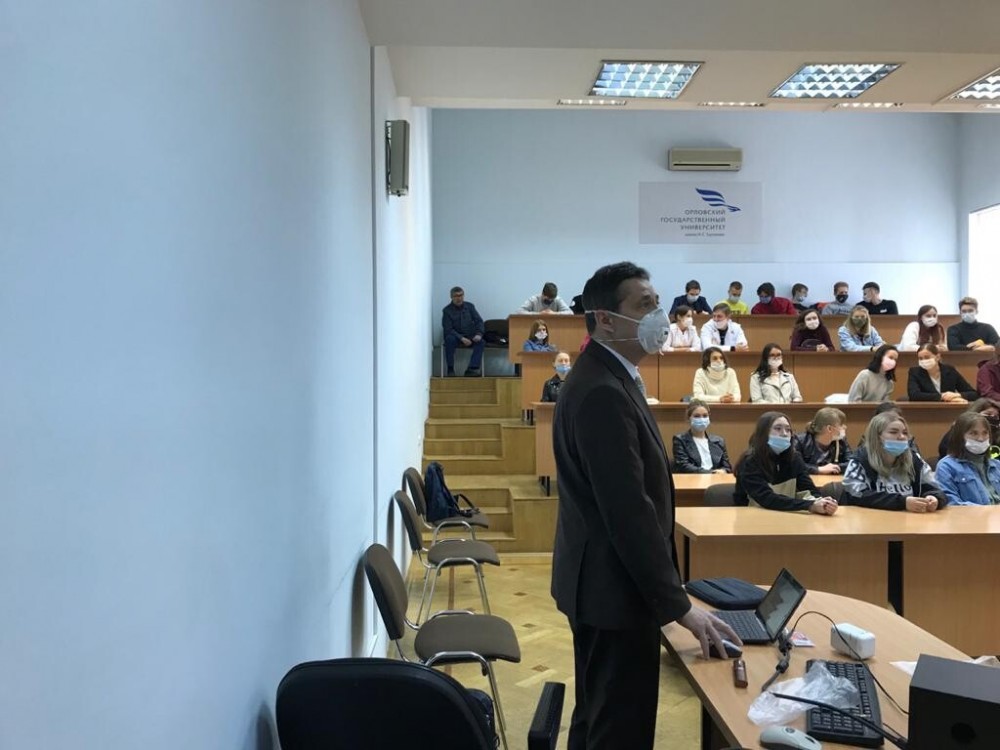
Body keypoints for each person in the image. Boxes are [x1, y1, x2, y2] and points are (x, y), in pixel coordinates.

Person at [551, 261, 740, 750]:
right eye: (644, 305)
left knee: (598, 716)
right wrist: (678, 606)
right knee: (618, 729)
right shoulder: (601, 390)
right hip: (613, 590)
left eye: (658, 303)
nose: (660, 315)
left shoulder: (610, 376)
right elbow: (628, 512)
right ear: (605, 320)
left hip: (601, 582)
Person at [733, 412, 838, 513]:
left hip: (785, 515)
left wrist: (823, 503)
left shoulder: (794, 458)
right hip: (752, 517)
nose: (784, 434)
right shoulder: (750, 461)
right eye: (778, 429)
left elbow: (810, 489)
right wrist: (810, 505)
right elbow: (767, 499)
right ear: (764, 433)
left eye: (788, 430)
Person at [841, 412, 946, 511]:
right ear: (877, 436)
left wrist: (934, 498)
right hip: (870, 520)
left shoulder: (915, 460)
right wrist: (902, 502)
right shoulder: (860, 460)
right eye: (893, 432)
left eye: (905, 433)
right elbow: (855, 495)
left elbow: (936, 490)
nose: (902, 437)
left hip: (909, 520)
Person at [935, 412, 1000, 505]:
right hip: (972, 514)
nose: (981, 439)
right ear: (960, 437)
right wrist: (987, 511)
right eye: (974, 433)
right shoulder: (946, 466)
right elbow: (951, 502)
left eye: (985, 433)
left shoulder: (997, 465)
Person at [671, 400, 732, 474]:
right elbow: (683, 466)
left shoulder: (719, 441)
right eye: (697, 416)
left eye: (705, 416)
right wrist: (711, 473)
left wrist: (723, 471)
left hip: (717, 479)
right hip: (692, 479)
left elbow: (727, 467)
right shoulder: (680, 440)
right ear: (688, 418)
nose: (701, 419)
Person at [907, 343, 976, 402]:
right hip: (925, 410)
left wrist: (957, 395)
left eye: (927, 357)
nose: (923, 361)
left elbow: (973, 394)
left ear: (937, 357)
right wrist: (942, 396)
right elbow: (914, 395)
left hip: (948, 409)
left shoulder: (950, 370)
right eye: (920, 358)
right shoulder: (915, 372)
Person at [794, 407, 852, 475]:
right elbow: (794, 465)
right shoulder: (800, 441)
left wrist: (835, 467)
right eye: (841, 425)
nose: (845, 427)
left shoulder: (841, 441)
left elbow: (852, 463)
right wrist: (818, 469)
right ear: (829, 428)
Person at [442, 286, 485, 376]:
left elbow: (479, 321)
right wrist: (461, 338)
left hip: (470, 335)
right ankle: (450, 369)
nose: (459, 298)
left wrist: (479, 334)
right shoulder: (447, 310)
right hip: (455, 336)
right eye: (456, 296)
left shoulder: (470, 306)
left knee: (481, 342)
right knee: (449, 339)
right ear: (451, 297)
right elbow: (448, 329)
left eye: (461, 295)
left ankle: (472, 369)